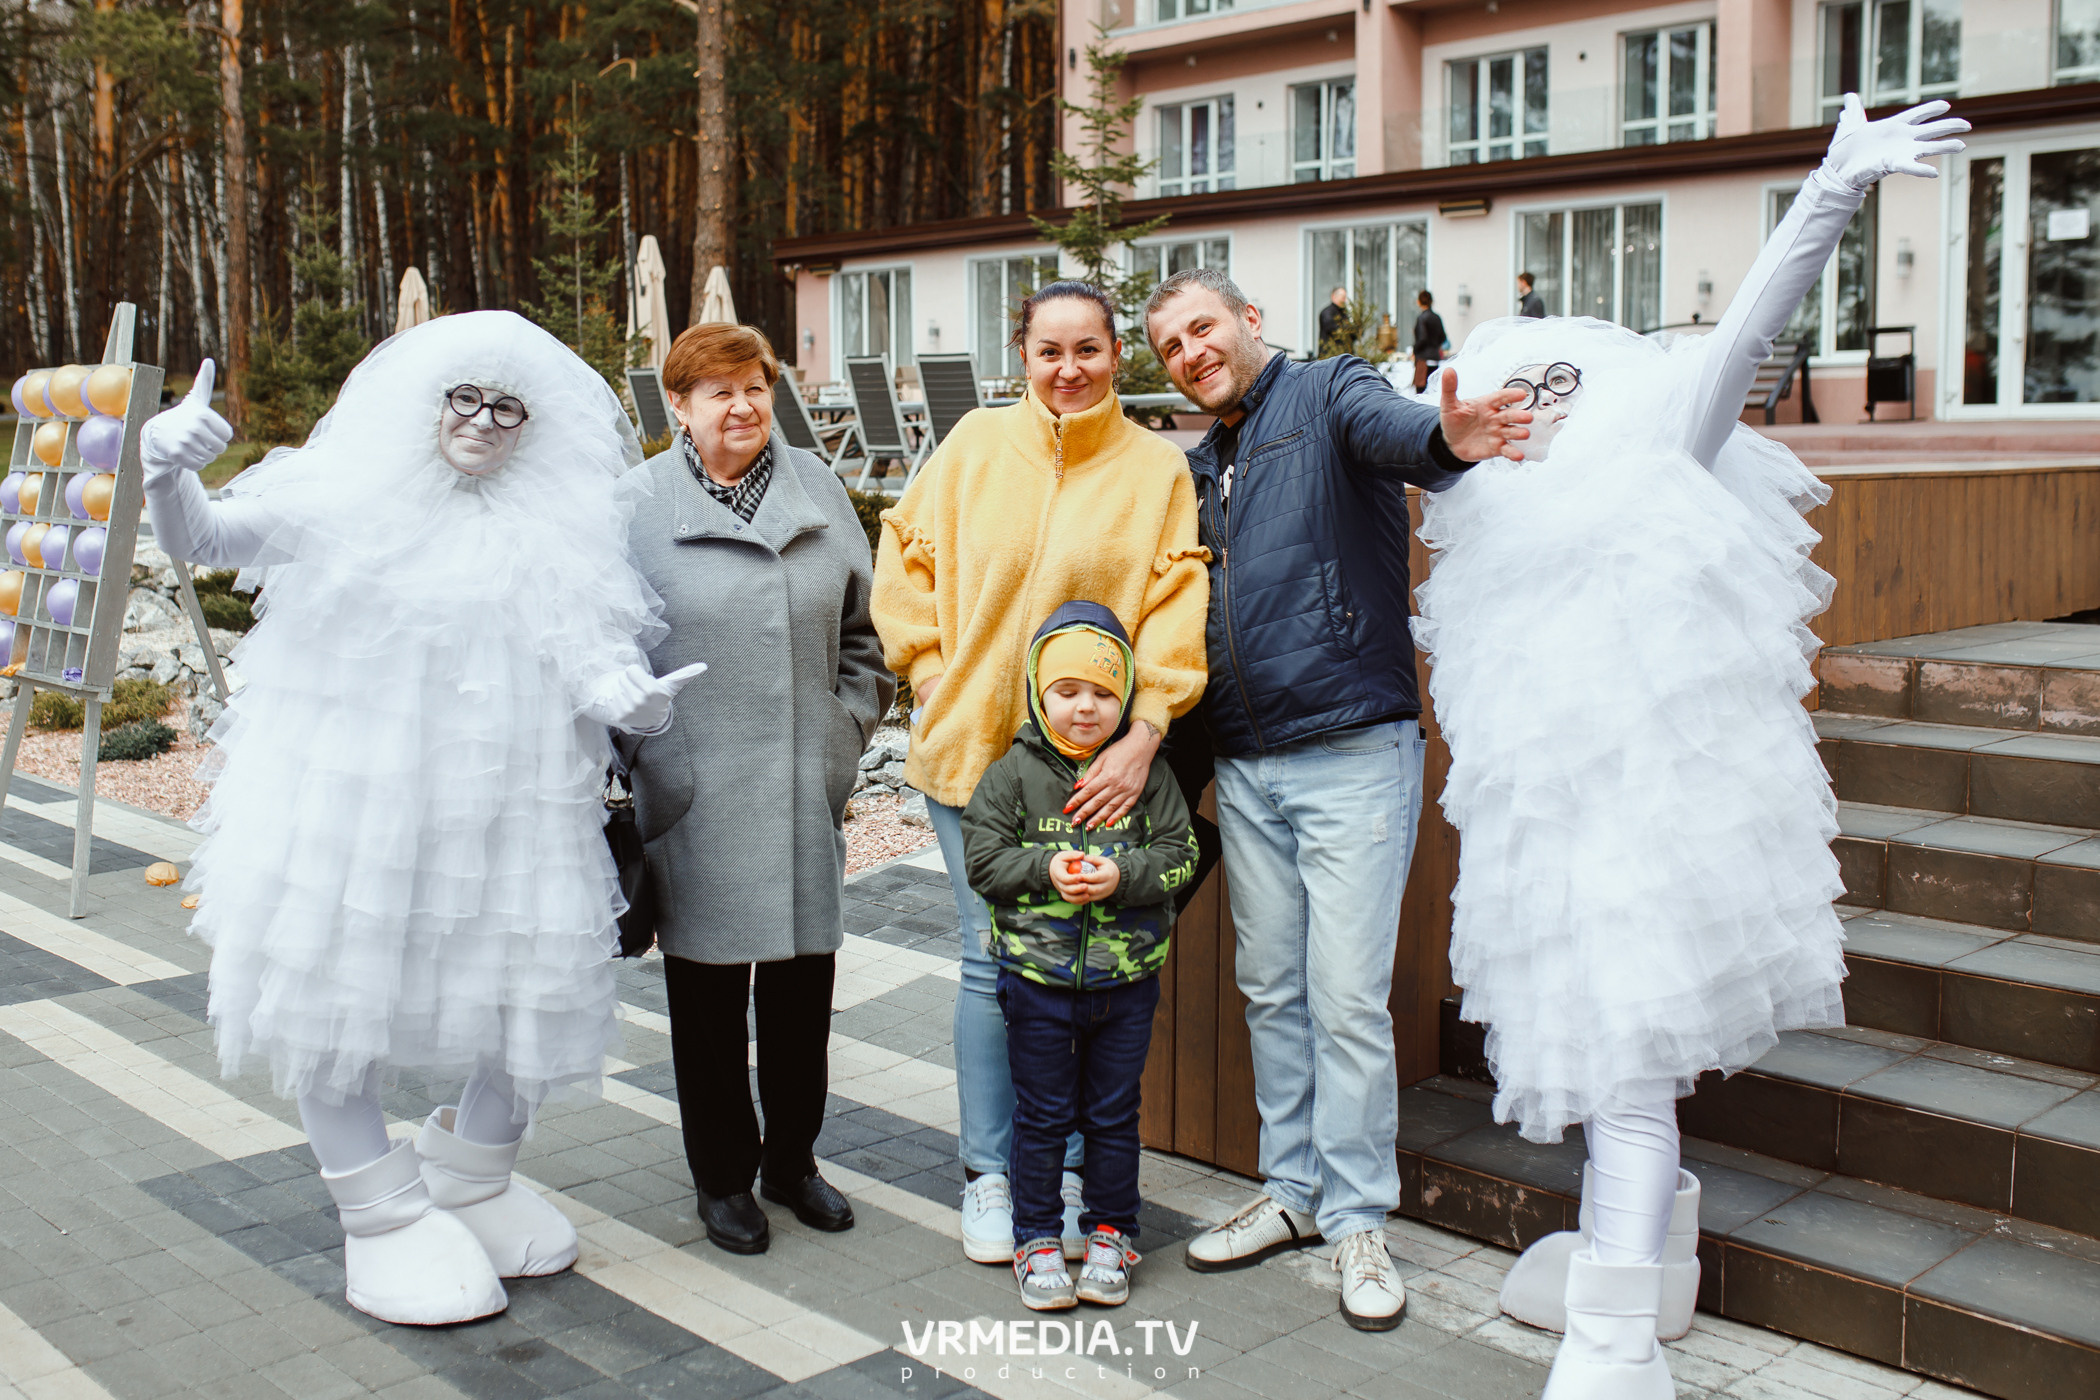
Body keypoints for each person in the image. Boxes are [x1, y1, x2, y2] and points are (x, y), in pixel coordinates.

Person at [1413, 96, 1967, 1397]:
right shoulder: (1490, 489)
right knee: (1614, 1060)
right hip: (1551, 821)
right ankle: (1646, 1248)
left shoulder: (1657, 447)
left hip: (1641, 819)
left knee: (1624, 1063)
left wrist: (1831, 192)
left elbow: (1745, 338)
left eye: (1561, 386)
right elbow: (1378, 431)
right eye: (1525, 388)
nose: (1543, 404)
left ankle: (1615, 1322)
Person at [136, 312, 696, 1325]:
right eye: (466, 398)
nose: (484, 421)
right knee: (339, 977)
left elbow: (588, 640)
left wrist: (630, 695)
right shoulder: (340, 495)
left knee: (528, 973)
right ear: (427, 402)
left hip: (513, 811)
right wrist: (164, 471)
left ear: (536, 424)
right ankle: (380, 1208)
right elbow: (206, 538)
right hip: (360, 802)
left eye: (508, 407)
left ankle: (473, 1172)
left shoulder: (554, 526)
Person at [1140, 267, 1530, 1332]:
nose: (1191, 352)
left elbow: (1411, 439)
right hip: (1250, 763)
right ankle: (1297, 1190)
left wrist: (1451, 439)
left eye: (1204, 327)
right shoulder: (1198, 462)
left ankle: (1360, 1214)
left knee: (1346, 996)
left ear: (1249, 319)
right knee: (1272, 984)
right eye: (1170, 344)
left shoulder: (1329, 391)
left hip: (1353, 745)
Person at [871, 280, 1209, 1267]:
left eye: (1090, 350)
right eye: (1049, 350)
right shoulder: (975, 445)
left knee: (1081, 967)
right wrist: (929, 674)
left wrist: (1147, 727)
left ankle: (1060, 1174)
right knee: (994, 961)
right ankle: (991, 1176)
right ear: (1021, 352)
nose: (1070, 369)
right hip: (975, 758)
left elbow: (1174, 606)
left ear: (1116, 355)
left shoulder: (1155, 470)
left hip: (1096, 774)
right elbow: (906, 555)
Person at [624, 322, 893, 1256]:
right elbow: (600, 654)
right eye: (717, 392)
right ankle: (723, 1179)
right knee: (705, 1008)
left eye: (754, 386)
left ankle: (793, 1161)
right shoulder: (633, 507)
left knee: (800, 997)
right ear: (680, 407)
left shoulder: (817, 487)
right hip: (692, 789)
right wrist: (644, 756)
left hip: (798, 783)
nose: (740, 407)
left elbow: (869, 634)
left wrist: (841, 732)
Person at [961, 605, 1196, 1311]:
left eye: (1102, 693)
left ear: (1124, 696)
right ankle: (1035, 1237)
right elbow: (984, 859)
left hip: (1125, 984)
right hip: (1036, 982)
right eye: (1067, 691)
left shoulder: (1145, 778)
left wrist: (1125, 878)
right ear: (1038, 691)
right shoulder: (1011, 775)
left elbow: (1182, 855)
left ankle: (1111, 1233)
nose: (1085, 708)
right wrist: (1047, 869)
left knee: (1114, 1114)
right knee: (1040, 1114)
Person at [1412, 291, 1447, 392]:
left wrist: (1415, 350)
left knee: (1421, 393)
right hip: (1435, 357)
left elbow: (1423, 338)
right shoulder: (1437, 317)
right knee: (1433, 391)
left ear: (1419, 302)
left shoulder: (1422, 318)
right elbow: (1443, 337)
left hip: (1423, 359)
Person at [1317, 286, 1349, 355]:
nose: (1344, 300)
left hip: (1342, 353)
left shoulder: (1344, 313)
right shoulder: (1327, 313)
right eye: (1342, 297)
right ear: (1334, 296)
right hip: (1329, 353)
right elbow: (1333, 329)